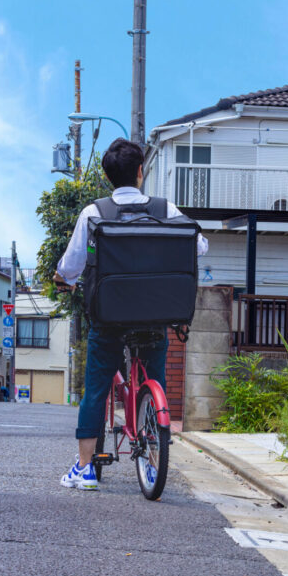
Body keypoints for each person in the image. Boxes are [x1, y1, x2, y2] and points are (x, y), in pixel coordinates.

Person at [53, 138, 208, 491]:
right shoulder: (165, 208)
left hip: (109, 318)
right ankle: (153, 450)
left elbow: (72, 264)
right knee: (155, 376)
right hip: (157, 314)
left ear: (109, 176)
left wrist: (63, 278)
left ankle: (85, 468)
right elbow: (198, 244)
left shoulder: (94, 213)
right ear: (141, 172)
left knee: (95, 389)